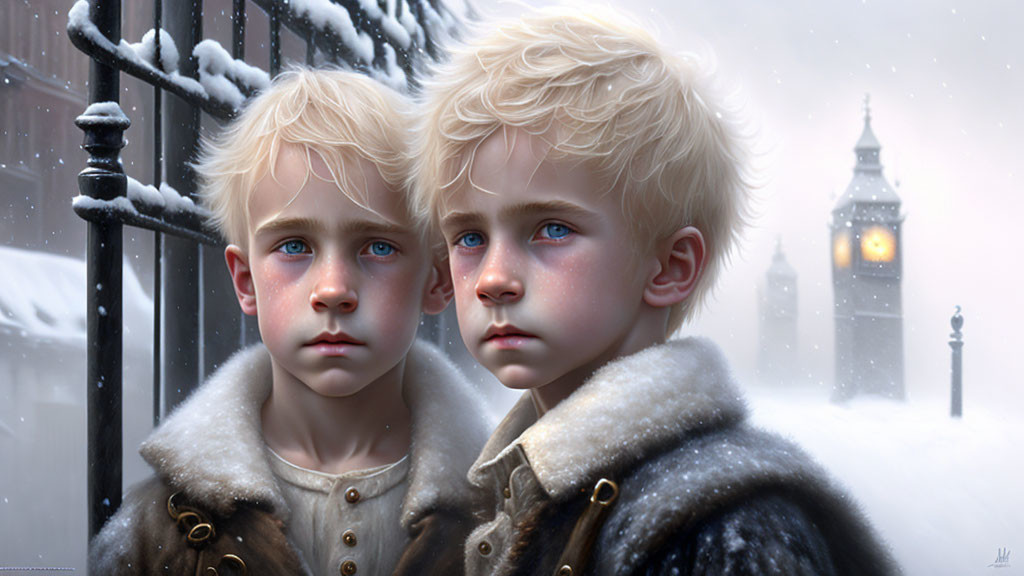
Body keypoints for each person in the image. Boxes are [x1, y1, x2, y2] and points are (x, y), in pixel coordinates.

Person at [412, 8, 899, 575]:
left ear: (669, 265)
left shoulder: (726, 527)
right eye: (469, 236)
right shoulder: (513, 491)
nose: (493, 278)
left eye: (551, 229)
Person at [89, 69, 490, 576]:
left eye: (378, 246)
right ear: (246, 280)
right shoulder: (155, 528)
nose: (333, 290)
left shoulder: (504, 516)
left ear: (437, 278)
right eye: (294, 246)